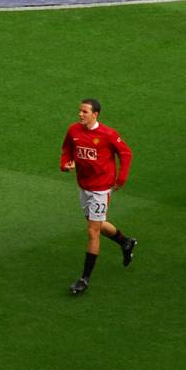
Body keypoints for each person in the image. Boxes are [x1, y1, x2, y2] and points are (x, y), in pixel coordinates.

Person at [61, 98, 136, 296]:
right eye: (80, 111)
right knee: (96, 222)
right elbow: (67, 149)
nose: (80, 114)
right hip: (84, 185)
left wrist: (121, 178)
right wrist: (65, 164)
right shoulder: (73, 131)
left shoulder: (108, 134)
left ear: (95, 114)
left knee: (92, 231)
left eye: (84, 112)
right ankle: (125, 242)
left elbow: (126, 153)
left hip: (101, 189)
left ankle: (84, 279)